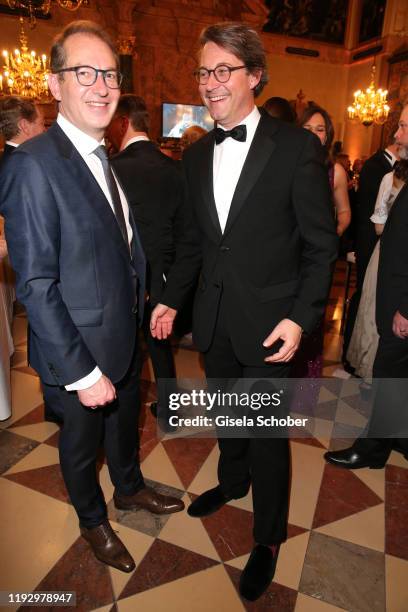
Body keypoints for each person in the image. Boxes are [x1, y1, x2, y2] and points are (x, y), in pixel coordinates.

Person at [152, 22, 338, 601]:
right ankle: (231, 485)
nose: (210, 83)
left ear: (254, 76)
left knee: (263, 432)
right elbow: (193, 245)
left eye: (223, 70)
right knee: (229, 417)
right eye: (204, 71)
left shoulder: (296, 148)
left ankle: (267, 538)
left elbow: (320, 245)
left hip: (271, 324)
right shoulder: (195, 152)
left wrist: (301, 317)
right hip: (214, 318)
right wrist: (169, 298)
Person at [0, 20, 184, 574]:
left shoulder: (102, 156)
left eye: (109, 73)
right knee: (81, 448)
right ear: (54, 86)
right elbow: (36, 284)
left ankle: (128, 489)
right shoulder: (33, 165)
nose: (102, 86)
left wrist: (147, 301)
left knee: (124, 429)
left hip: (123, 338)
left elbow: (121, 248)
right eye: (85, 73)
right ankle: (92, 519)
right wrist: (82, 373)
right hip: (77, 351)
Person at [107, 94, 200, 423]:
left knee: (124, 349)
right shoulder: (174, 169)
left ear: (123, 123)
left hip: (121, 278)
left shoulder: (111, 169)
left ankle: (119, 414)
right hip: (163, 277)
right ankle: (171, 410)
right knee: (160, 346)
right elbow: (188, 235)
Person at [325, 104, 408, 470]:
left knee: (391, 375)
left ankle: (373, 448)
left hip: (402, 303)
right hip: (394, 293)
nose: (397, 135)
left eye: (404, 126)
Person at [347, 161, 408, 386]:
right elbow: (380, 226)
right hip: (388, 262)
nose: (397, 134)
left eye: (403, 126)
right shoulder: (389, 177)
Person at [342, 137, 400, 367]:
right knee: (364, 299)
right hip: (370, 242)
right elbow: (369, 212)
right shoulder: (377, 167)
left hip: (378, 242)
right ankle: (351, 353)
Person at [299, 104, 351, 237]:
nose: (313, 134)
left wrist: (335, 233)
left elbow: (344, 211)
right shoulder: (286, 164)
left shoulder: (336, 171)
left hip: (318, 246)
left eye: (320, 129)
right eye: (307, 128)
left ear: (326, 137)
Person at [0, 95, 45, 167]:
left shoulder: (6, 157)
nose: (44, 129)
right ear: (24, 126)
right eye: (42, 123)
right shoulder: (27, 163)